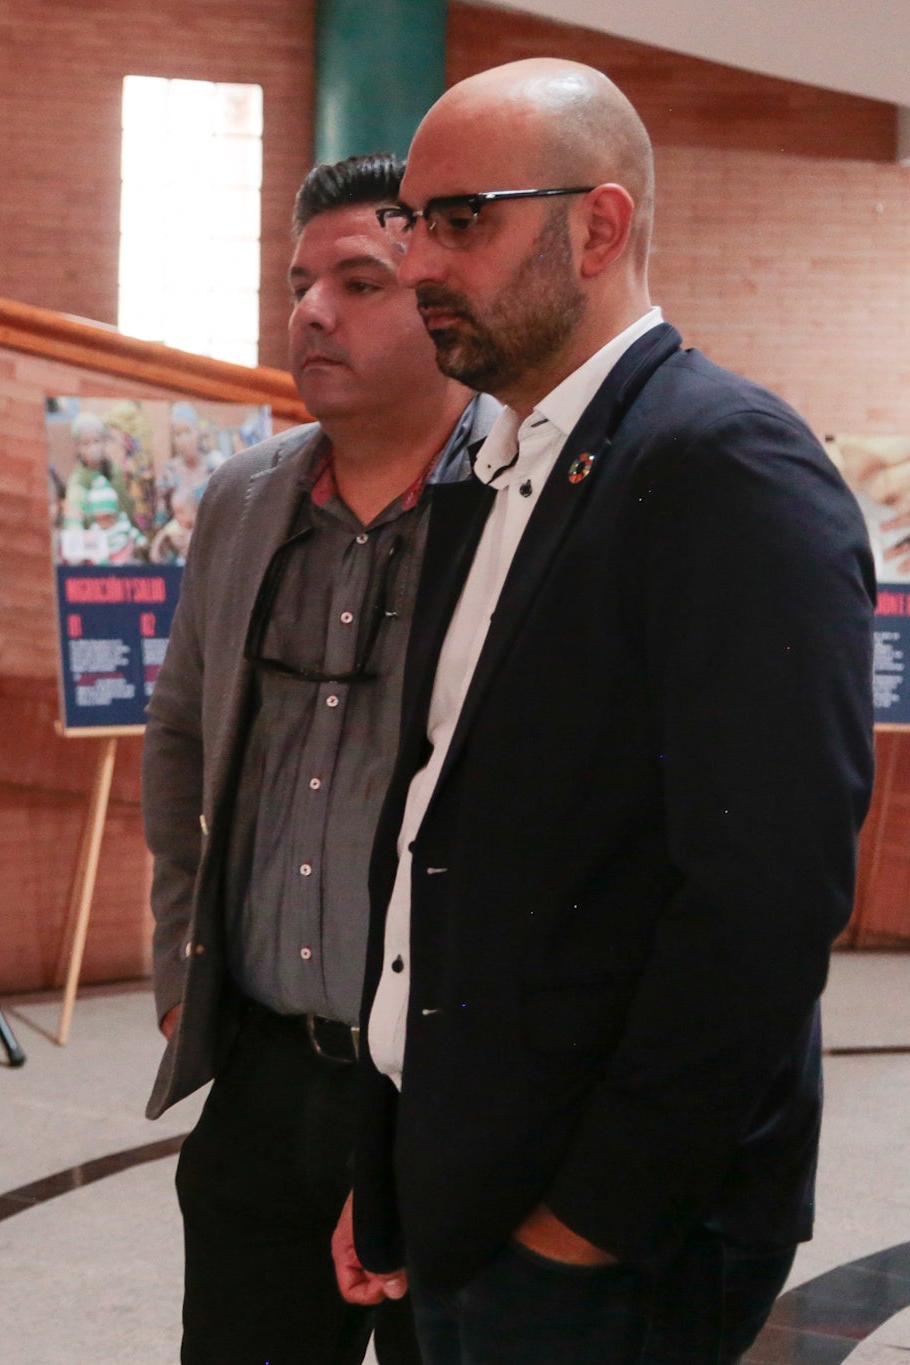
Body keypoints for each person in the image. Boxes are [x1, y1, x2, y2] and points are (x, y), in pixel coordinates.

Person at [332, 60, 874, 1365]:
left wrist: (585, 1229)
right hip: (471, 1175)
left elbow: (767, 897)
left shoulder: (724, 461)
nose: (419, 265)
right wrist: (398, 1157)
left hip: (607, 1231)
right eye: (411, 223)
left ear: (600, 225)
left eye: (462, 219)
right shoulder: (496, 454)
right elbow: (443, 831)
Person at [144, 153, 494, 1365]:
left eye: (357, 280)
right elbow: (182, 734)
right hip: (259, 1070)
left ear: (442, 296)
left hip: (444, 1081)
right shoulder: (242, 498)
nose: (309, 311)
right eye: (299, 282)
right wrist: (181, 961)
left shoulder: (526, 503)